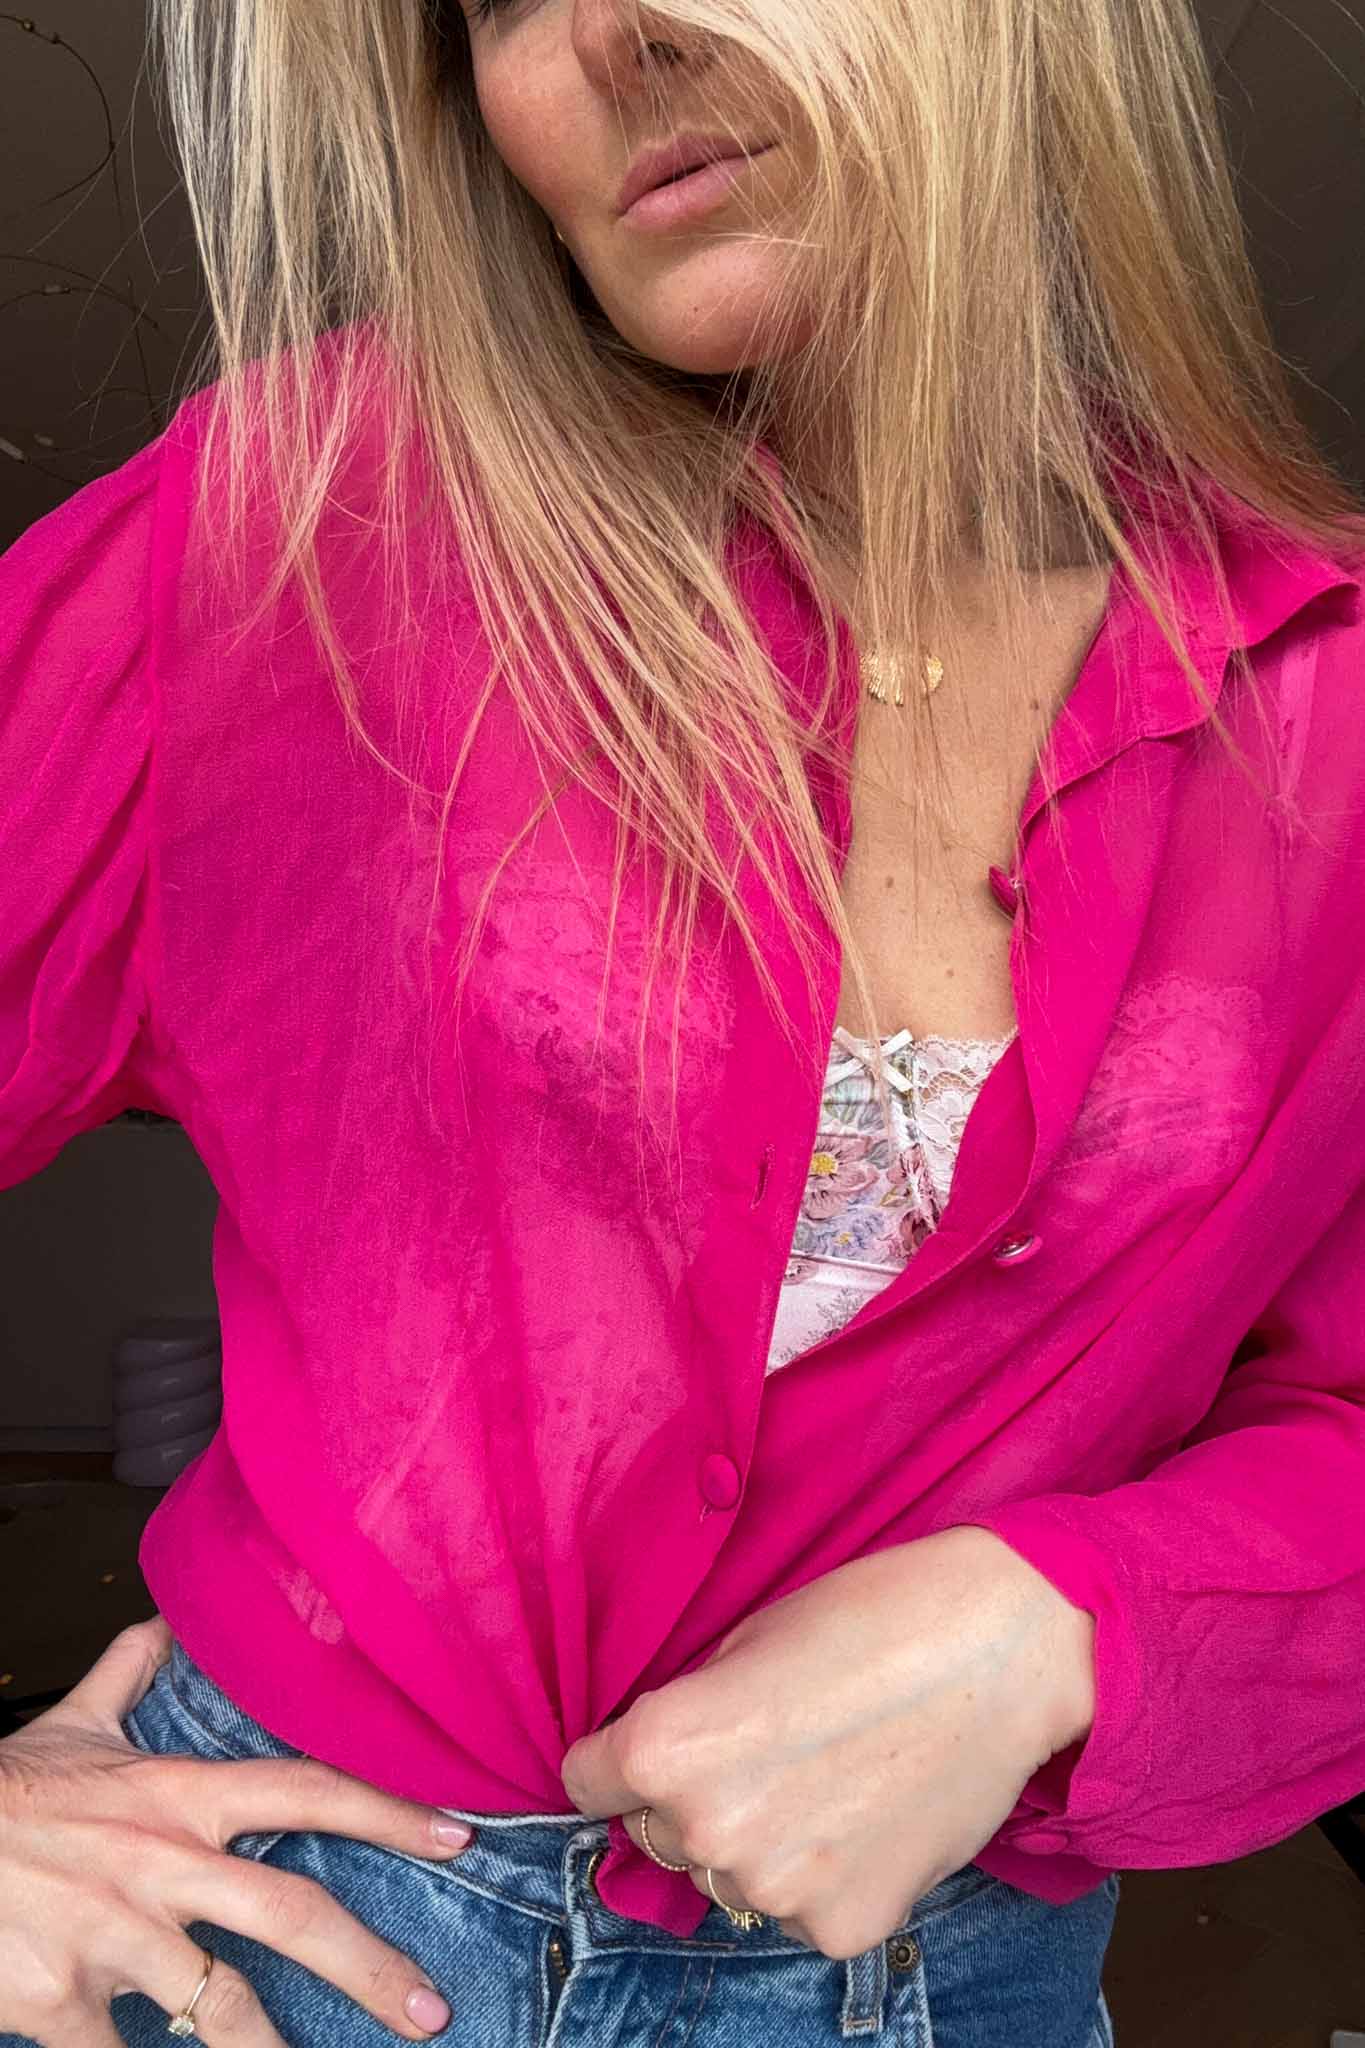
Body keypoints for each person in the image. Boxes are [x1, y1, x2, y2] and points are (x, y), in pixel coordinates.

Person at [2, 0, 1364, 2042]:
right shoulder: (312, 525)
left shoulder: (1325, 701)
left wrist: (1066, 1626)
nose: (605, 38)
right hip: (257, 1946)